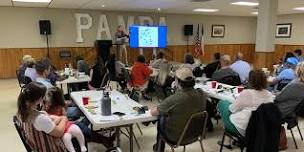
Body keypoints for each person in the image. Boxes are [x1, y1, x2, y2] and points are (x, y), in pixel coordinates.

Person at [150, 67, 207, 152]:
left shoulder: (174, 99)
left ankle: (159, 148)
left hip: (177, 137)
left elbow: (153, 113)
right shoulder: (202, 94)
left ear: (177, 82)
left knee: (161, 116)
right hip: (196, 134)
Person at [218, 70, 274, 147]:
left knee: (223, 104)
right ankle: (228, 141)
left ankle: (227, 141)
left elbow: (231, 109)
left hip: (244, 128)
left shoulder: (247, 93)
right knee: (241, 110)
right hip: (261, 129)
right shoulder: (270, 95)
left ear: (250, 81)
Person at [16, 82, 70, 151]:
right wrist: (64, 118)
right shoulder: (39, 119)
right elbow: (59, 132)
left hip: (36, 147)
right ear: (40, 98)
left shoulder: (21, 112)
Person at [45, 87, 87, 152]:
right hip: (61, 129)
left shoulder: (50, 107)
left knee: (78, 127)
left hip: (64, 126)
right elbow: (63, 119)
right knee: (79, 127)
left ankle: (85, 142)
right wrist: (61, 119)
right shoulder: (50, 110)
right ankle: (92, 138)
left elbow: (65, 117)